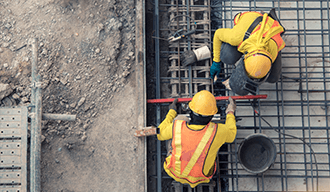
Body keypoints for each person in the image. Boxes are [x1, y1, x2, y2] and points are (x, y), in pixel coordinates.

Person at [157, 90, 237, 188]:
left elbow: (160, 134)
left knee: (179, 120)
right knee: (214, 142)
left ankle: (173, 152)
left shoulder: (178, 127)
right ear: (211, 116)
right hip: (202, 177)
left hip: (174, 172)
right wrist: (230, 111)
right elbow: (232, 134)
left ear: (191, 111)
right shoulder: (218, 131)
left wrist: (172, 111)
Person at [210, 9, 286, 95]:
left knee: (273, 78)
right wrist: (216, 61)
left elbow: (259, 67)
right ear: (245, 57)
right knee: (226, 57)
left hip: (271, 32)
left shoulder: (273, 50)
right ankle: (267, 17)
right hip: (250, 22)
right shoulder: (237, 36)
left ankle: (273, 21)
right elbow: (217, 34)